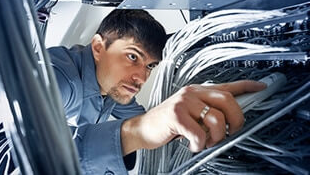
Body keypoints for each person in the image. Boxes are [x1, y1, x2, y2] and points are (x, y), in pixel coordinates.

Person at [48, 9, 266, 175]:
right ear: (98, 47)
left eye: (150, 66)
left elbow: (146, 118)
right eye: (133, 57)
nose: (141, 78)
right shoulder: (59, 81)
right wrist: (136, 132)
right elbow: (19, 161)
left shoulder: (114, 87)